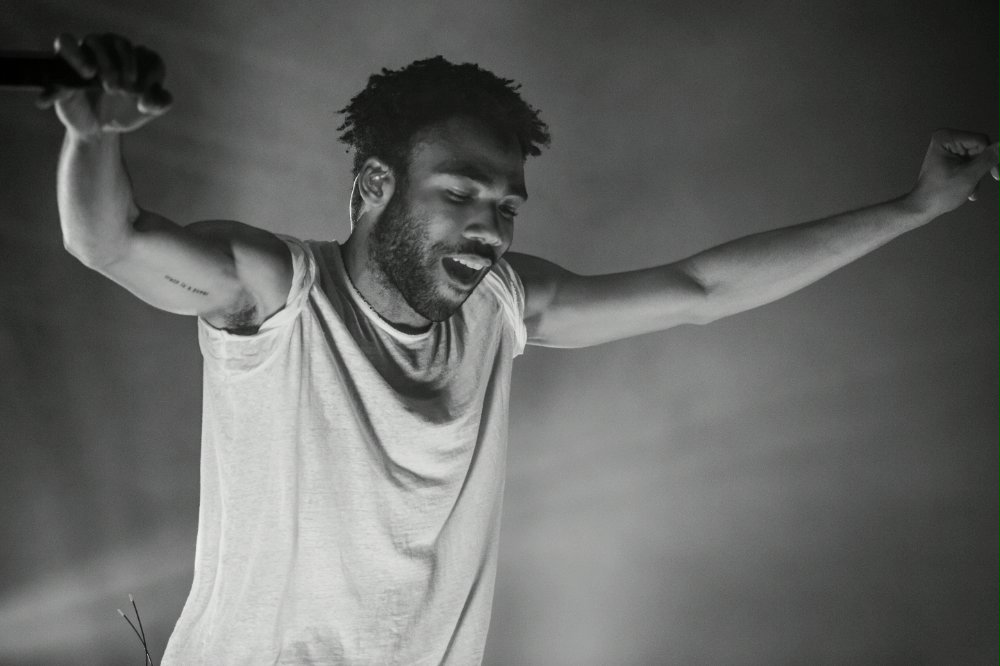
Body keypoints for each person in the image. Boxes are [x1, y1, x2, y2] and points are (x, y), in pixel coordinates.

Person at [40, 31, 999, 666]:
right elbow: (108, 242)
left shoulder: (499, 307)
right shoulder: (276, 292)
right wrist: (91, 140)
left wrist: (914, 209)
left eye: (505, 205)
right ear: (373, 186)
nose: (490, 228)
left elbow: (702, 291)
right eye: (460, 194)